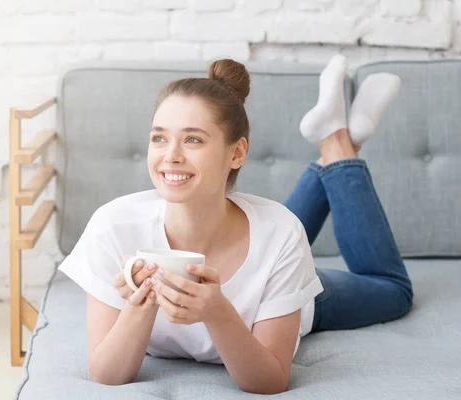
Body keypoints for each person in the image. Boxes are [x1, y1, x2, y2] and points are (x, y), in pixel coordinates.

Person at [58, 55, 414, 395]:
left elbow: (270, 381)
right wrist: (140, 305)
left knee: (392, 290)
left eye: (193, 139)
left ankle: (337, 143)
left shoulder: (280, 234)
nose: (171, 155)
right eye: (159, 137)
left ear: (237, 153)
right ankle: (338, 141)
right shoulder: (114, 227)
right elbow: (106, 374)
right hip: (260, 240)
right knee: (277, 235)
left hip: (283, 291)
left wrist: (218, 312)